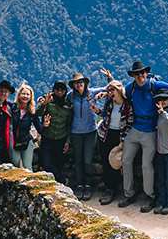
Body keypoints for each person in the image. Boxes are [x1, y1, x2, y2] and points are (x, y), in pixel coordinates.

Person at [102, 61, 168, 212]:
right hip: (134, 128)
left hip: (151, 130)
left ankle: (150, 196)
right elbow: (119, 95)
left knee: (147, 165)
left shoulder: (155, 85)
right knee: (126, 161)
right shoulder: (131, 87)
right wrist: (106, 93)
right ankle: (129, 194)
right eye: (137, 73)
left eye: (142, 73)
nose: (140, 75)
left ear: (146, 73)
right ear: (133, 75)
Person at [67, 72, 106, 200]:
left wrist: (109, 77)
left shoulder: (93, 93)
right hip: (76, 132)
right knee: (78, 160)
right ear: (73, 85)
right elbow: (59, 101)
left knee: (87, 160)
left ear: (85, 83)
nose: (79, 85)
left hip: (90, 132)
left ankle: (88, 185)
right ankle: (79, 185)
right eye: (76, 83)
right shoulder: (70, 96)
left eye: (81, 82)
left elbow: (111, 89)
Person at [95, 79, 134, 205]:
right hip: (106, 134)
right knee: (107, 162)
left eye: (112, 90)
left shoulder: (128, 105)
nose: (110, 93)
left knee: (117, 163)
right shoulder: (109, 102)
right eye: (108, 91)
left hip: (119, 135)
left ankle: (116, 189)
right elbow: (105, 115)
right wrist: (96, 110)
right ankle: (109, 189)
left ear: (119, 90)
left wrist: (123, 140)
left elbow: (129, 124)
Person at [37, 80, 72, 182]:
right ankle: (61, 181)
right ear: (54, 90)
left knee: (59, 164)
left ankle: (57, 185)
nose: (60, 91)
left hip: (61, 139)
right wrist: (44, 104)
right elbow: (38, 113)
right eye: (57, 89)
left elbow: (69, 124)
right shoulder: (48, 100)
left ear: (65, 91)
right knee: (47, 164)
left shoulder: (68, 104)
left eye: (62, 89)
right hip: (47, 138)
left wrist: (68, 141)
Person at [11, 82, 43, 170]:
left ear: (30, 97)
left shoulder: (31, 112)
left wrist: (46, 126)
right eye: (23, 94)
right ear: (19, 95)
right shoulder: (12, 108)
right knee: (15, 166)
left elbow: (40, 129)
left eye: (27, 94)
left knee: (28, 168)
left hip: (26, 142)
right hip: (13, 141)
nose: (25, 96)